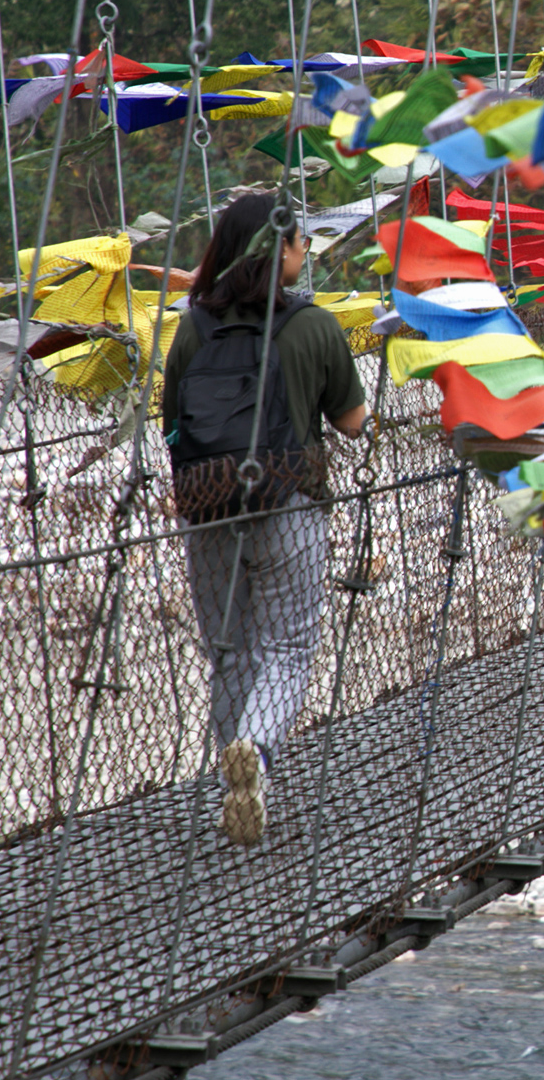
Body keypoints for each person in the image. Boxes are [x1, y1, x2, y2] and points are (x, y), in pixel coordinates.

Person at [160, 194, 367, 845]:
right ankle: (256, 751)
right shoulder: (315, 326)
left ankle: (236, 781)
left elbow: (171, 427)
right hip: (289, 505)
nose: (306, 252)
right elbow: (353, 423)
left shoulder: (194, 325)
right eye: (300, 241)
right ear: (277, 251)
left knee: (228, 648)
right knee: (285, 645)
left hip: (207, 504)